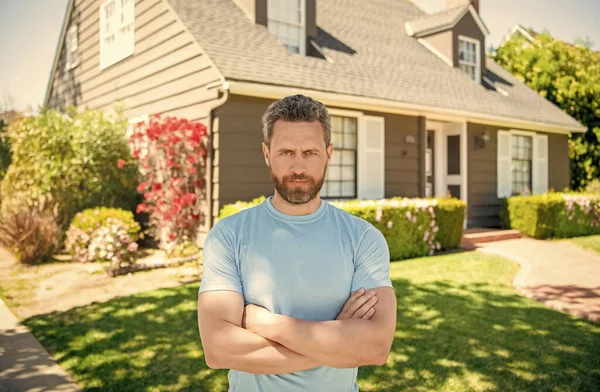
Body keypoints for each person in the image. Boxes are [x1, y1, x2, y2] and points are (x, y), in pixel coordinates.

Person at [197, 94, 396, 391]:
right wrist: (336, 345)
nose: (299, 167)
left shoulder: (363, 239)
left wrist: (266, 324)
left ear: (329, 153)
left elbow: (376, 348)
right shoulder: (228, 236)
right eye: (286, 152)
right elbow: (218, 350)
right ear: (267, 154)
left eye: (310, 152)